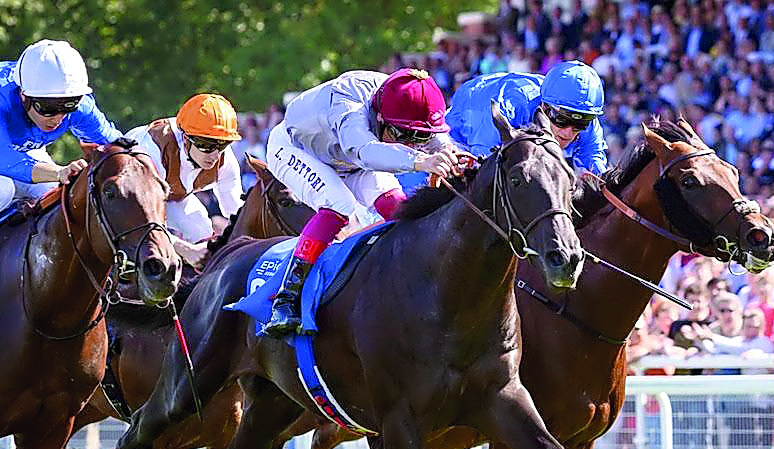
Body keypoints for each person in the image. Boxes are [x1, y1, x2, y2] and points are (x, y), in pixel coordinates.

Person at [262, 68, 469, 336]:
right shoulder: (348, 102)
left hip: (350, 157)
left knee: (398, 209)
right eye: (405, 136)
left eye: (419, 138)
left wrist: (457, 156)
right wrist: (421, 161)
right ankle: (287, 297)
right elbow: (363, 152)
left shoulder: (402, 107)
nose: (413, 144)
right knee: (339, 206)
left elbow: (438, 140)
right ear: (381, 117)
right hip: (296, 149)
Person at [0, 40, 122, 217]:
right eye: (48, 108)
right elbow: (6, 159)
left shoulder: (80, 107)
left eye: (69, 106)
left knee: (59, 196)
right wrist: (59, 171)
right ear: (23, 96)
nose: (59, 118)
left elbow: (119, 145)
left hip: (19, 150)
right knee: (4, 190)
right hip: (5, 155)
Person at [126, 94, 243, 267]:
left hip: (172, 196)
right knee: (156, 252)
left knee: (202, 231)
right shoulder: (151, 150)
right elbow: (137, 220)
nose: (215, 155)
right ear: (185, 138)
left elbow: (237, 215)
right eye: (206, 144)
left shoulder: (225, 160)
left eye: (223, 144)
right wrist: (185, 250)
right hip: (127, 204)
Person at [446, 60, 609, 174]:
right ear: (545, 107)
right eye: (561, 120)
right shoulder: (508, 109)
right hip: (466, 129)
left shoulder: (586, 117)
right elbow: (486, 165)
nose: (568, 133)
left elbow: (596, 168)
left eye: (579, 124)